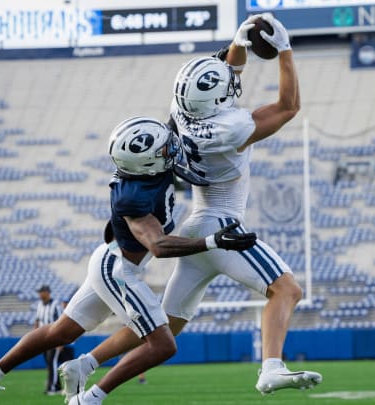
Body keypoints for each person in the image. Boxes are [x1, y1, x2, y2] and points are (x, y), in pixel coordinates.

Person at [62, 13, 322, 396]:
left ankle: (88, 372)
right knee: (287, 290)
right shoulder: (229, 127)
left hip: (194, 225)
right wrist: (284, 51)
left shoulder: (181, 112)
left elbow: (223, 80)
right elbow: (288, 107)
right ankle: (271, 366)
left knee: (163, 325)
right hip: (220, 224)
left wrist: (239, 44)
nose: (232, 87)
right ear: (214, 100)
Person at [0, 117, 257, 405]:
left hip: (111, 259)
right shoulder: (132, 196)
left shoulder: (144, 163)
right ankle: (90, 399)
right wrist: (212, 241)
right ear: (146, 164)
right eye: (164, 150)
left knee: (62, 332)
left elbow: (174, 119)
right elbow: (158, 245)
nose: (171, 149)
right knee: (164, 345)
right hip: (118, 270)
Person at [33, 285, 64, 395]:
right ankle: (58, 387)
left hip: (54, 339)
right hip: (43, 339)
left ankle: (51, 388)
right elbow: (37, 321)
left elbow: (61, 322)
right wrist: (35, 337)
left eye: (41, 292)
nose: (40, 294)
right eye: (39, 292)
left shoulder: (55, 305)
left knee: (52, 362)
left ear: (47, 292)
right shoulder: (39, 305)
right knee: (49, 363)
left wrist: (61, 342)